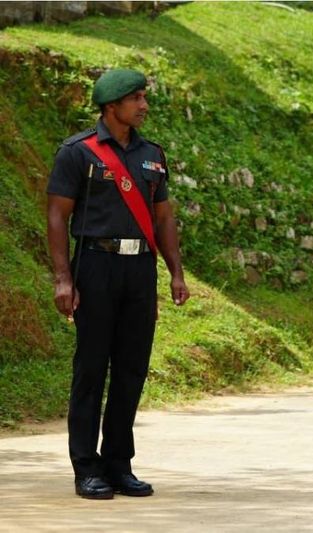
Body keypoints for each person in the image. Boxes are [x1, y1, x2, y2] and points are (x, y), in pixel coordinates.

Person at [46, 68, 190, 500]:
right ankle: (86, 468)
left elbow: (162, 217)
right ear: (112, 106)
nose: (144, 105)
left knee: (131, 368)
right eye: (136, 98)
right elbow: (57, 216)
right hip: (95, 265)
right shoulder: (77, 152)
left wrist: (175, 272)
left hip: (139, 270)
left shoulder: (152, 155)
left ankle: (118, 464)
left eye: (144, 97)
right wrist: (63, 278)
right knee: (91, 368)